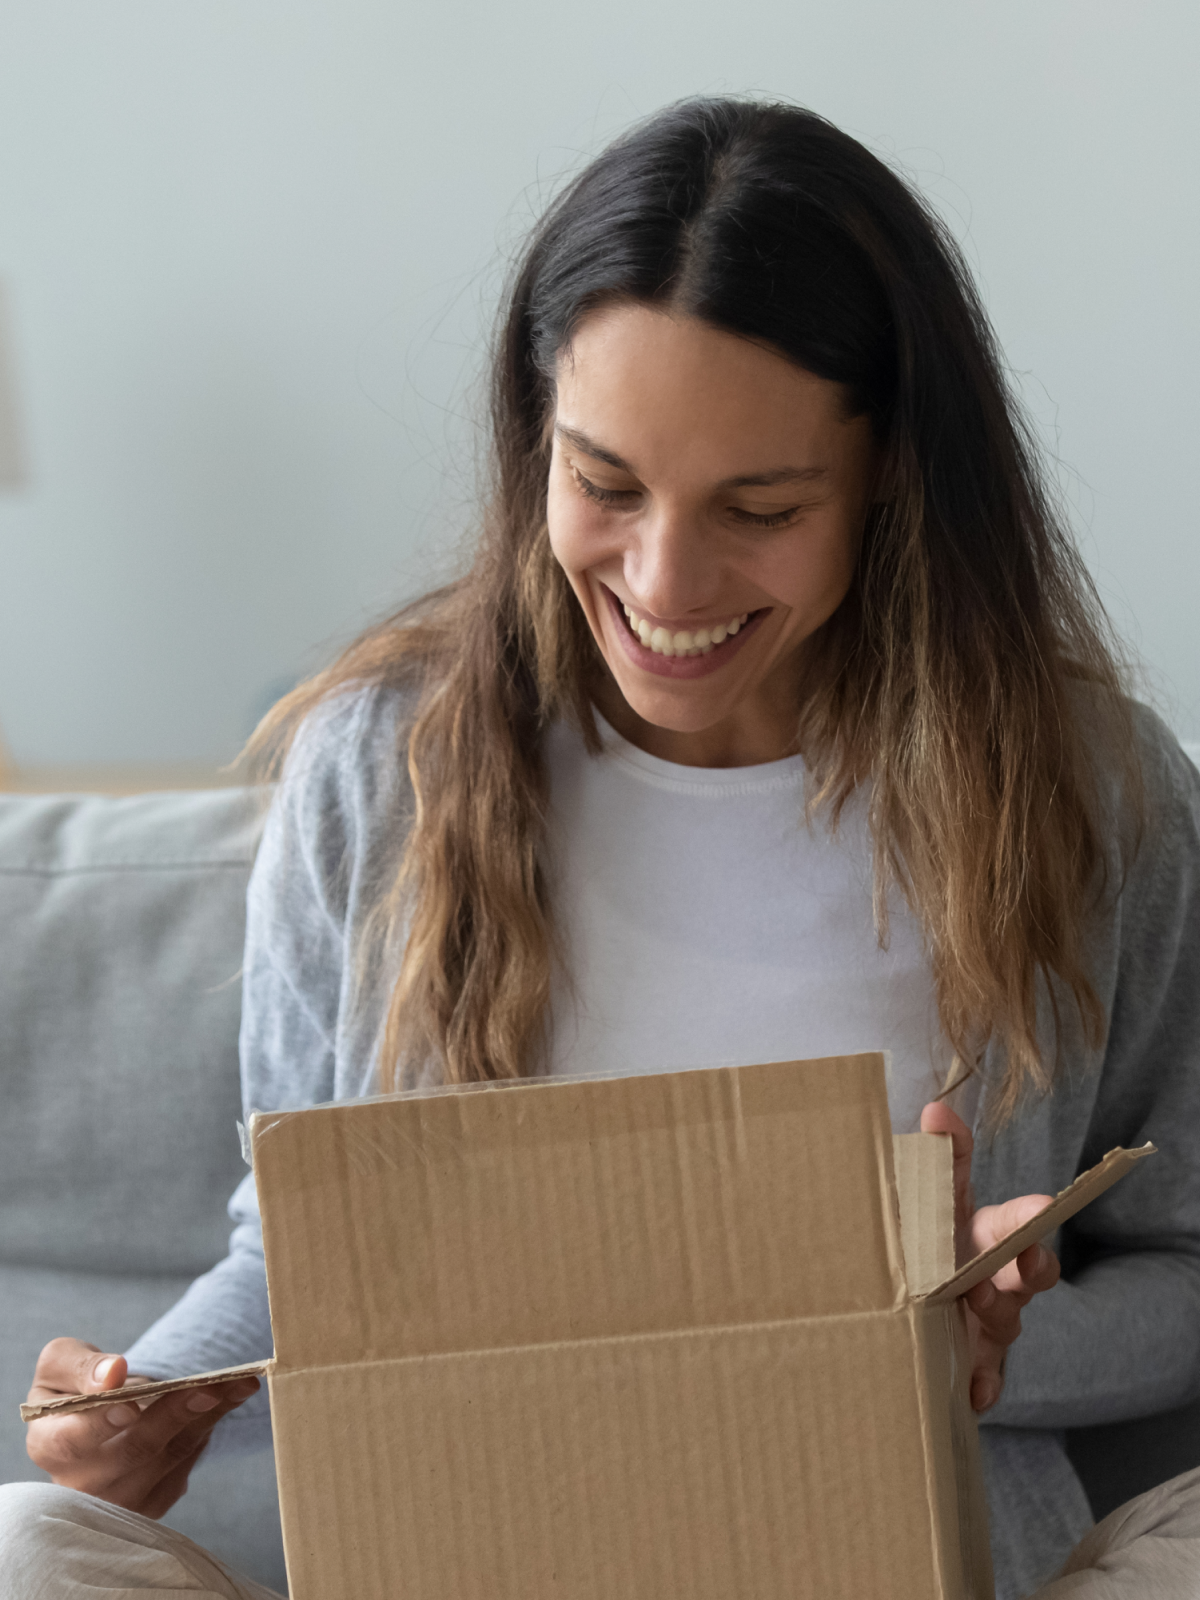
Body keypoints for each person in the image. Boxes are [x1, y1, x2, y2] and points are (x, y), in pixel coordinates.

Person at [4, 97, 1199, 1600]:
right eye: (606, 485)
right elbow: (303, 1231)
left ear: (891, 472)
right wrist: (146, 1400)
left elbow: (1185, 1262)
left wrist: (963, 1338)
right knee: (25, 1545)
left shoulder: (1089, 793)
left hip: (892, 1558)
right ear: (533, 441)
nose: (664, 581)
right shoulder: (387, 766)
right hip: (474, 1560)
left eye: (759, 507)